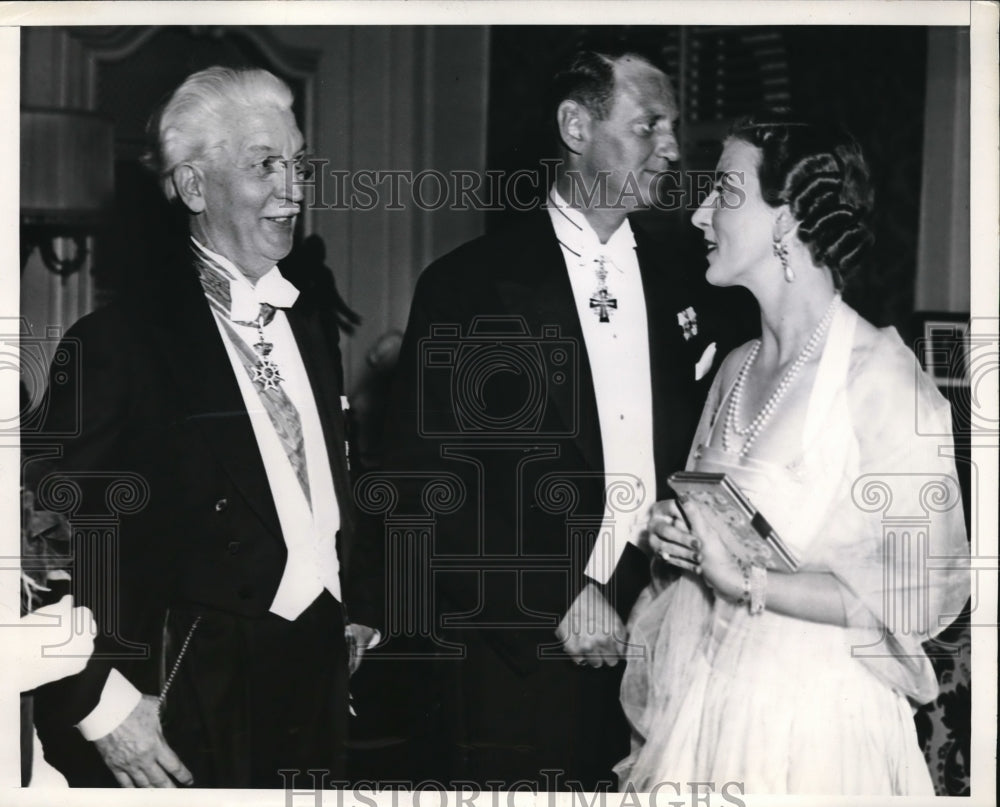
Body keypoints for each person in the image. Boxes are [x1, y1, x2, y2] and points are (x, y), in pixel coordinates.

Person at [379, 44, 745, 789]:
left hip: (664, 643)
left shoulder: (696, 280)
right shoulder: (468, 286)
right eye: (649, 126)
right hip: (513, 660)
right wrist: (550, 593)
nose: (673, 148)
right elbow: (417, 482)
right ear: (576, 127)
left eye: (673, 127)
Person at [28, 66, 383, 788]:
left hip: (308, 693)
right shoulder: (118, 343)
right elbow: (31, 538)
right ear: (194, 188)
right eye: (264, 166)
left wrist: (346, 606)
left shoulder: (310, 326)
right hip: (182, 699)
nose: (294, 189)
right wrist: (95, 699)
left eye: (299, 164)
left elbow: (317, 489)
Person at [617, 116, 971, 794]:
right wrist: (679, 535)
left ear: (787, 220)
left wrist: (749, 585)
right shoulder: (735, 367)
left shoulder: (881, 378)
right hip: (708, 701)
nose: (699, 213)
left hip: (817, 722)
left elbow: (921, 591)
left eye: (723, 191)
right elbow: (718, 527)